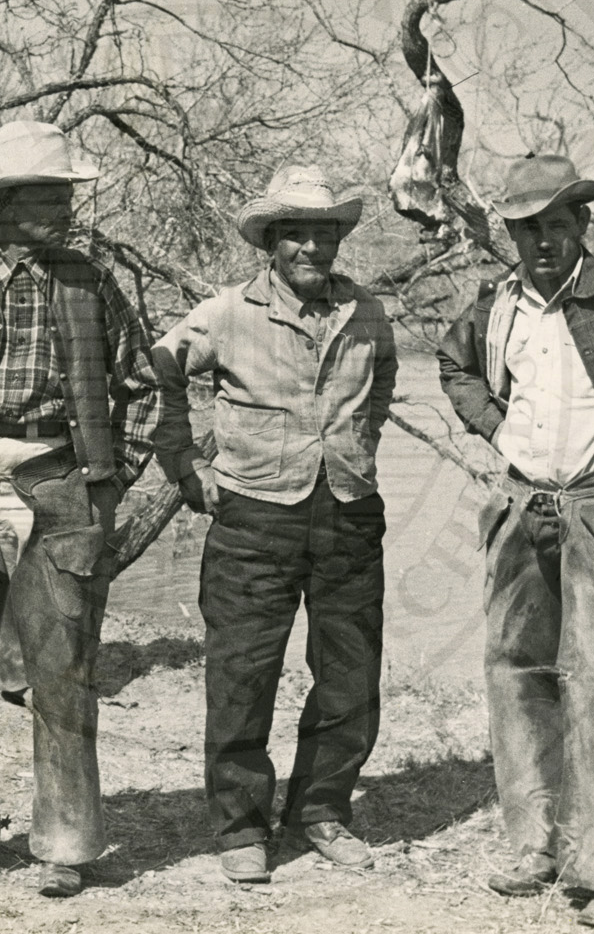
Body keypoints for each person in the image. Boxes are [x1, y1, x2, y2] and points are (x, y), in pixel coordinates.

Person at [0, 120, 157, 897]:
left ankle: (66, 846)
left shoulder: (91, 282)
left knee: (63, 673)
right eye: (48, 195)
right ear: (6, 202)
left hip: (60, 486)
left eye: (66, 194)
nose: (65, 208)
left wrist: (109, 482)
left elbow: (143, 386)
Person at [437, 155, 594, 928]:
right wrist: (495, 428)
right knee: (518, 674)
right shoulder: (497, 304)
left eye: (554, 224)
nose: (541, 241)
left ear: (582, 223)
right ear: (509, 234)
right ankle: (536, 845)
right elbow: (453, 364)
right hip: (522, 506)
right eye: (525, 228)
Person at [151, 165, 396, 885]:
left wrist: (356, 449)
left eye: (325, 233)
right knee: (243, 676)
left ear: (338, 239)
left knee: (350, 677)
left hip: (349, 512)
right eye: (296, 234)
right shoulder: (227, 312)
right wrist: (184, 464)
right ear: (271, 241)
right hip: (253, 516)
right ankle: (241, 826)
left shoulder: (367, 312)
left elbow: (381, 387)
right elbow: (159, 367)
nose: (312, 247)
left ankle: (322, 810)